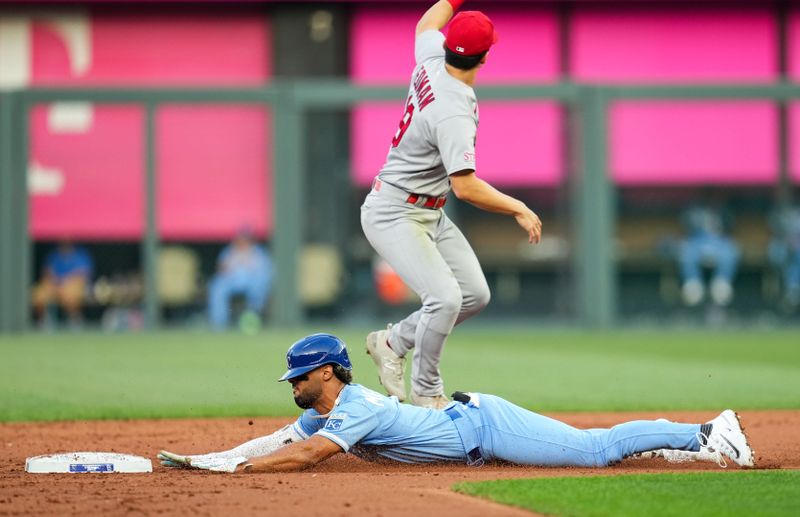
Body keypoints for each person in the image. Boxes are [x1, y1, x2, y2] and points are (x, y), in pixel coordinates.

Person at [158, 333, 755, 473]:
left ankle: (706, 432)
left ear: (326, 374)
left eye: (298, 377)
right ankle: (698, 438)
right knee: (593, 450)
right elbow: (286, 439)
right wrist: (219, 456)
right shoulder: (326, 408)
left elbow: (310, 455)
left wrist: (238, 470)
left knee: (595, 451)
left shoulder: (355, 405)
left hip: (484, 427)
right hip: (471, 432)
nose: (292, 385)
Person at [360, 0, 542, 409]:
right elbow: (466, 187)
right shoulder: (453, 110)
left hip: (425, 209)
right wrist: (518, 207)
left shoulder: (431, 58)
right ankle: (428, 393)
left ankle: (391, 342)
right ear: (486, 55)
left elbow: (427, 20)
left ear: (450, 47)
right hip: (394, 212)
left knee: (474, 294)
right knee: (444, 298)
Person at [207, 228, 273, 332]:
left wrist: (249, 263)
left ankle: (251, 319)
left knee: (259, 284)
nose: (243, 241)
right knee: (217, 286)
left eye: (245, 239)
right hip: (231, 282)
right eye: (240, 239)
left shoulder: (258, 253)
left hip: (251, 282)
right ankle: (219, 323)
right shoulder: (229, 251)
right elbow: (221, 270)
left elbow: (265, 272)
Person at [678, 204, 740, 308]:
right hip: (698, 240)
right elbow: (687, 227)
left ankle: (722, 284)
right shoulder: (695, 211)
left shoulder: (724, 213)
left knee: (730, 252)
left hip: (720, 241)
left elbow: (730, 227)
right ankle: (692, 284)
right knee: (686, 252)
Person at [31, 239, 94, 330]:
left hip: (72, 286)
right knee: (39, 293)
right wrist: (55, 281)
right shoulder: (54, 256)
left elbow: (84, 274)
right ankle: (43, 320)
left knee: (70, 293)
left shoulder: (80, 255)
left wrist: (66, 281)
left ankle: (74, 320)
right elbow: (47, 273)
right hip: (55, 285)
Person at [767, 206, 800, 310]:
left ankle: (792, 290)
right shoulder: (776, 213)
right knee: (786, 258)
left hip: (795, 253)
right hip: (781, 250)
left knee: (796, 258)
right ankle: (791, 290)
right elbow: (776, 231)